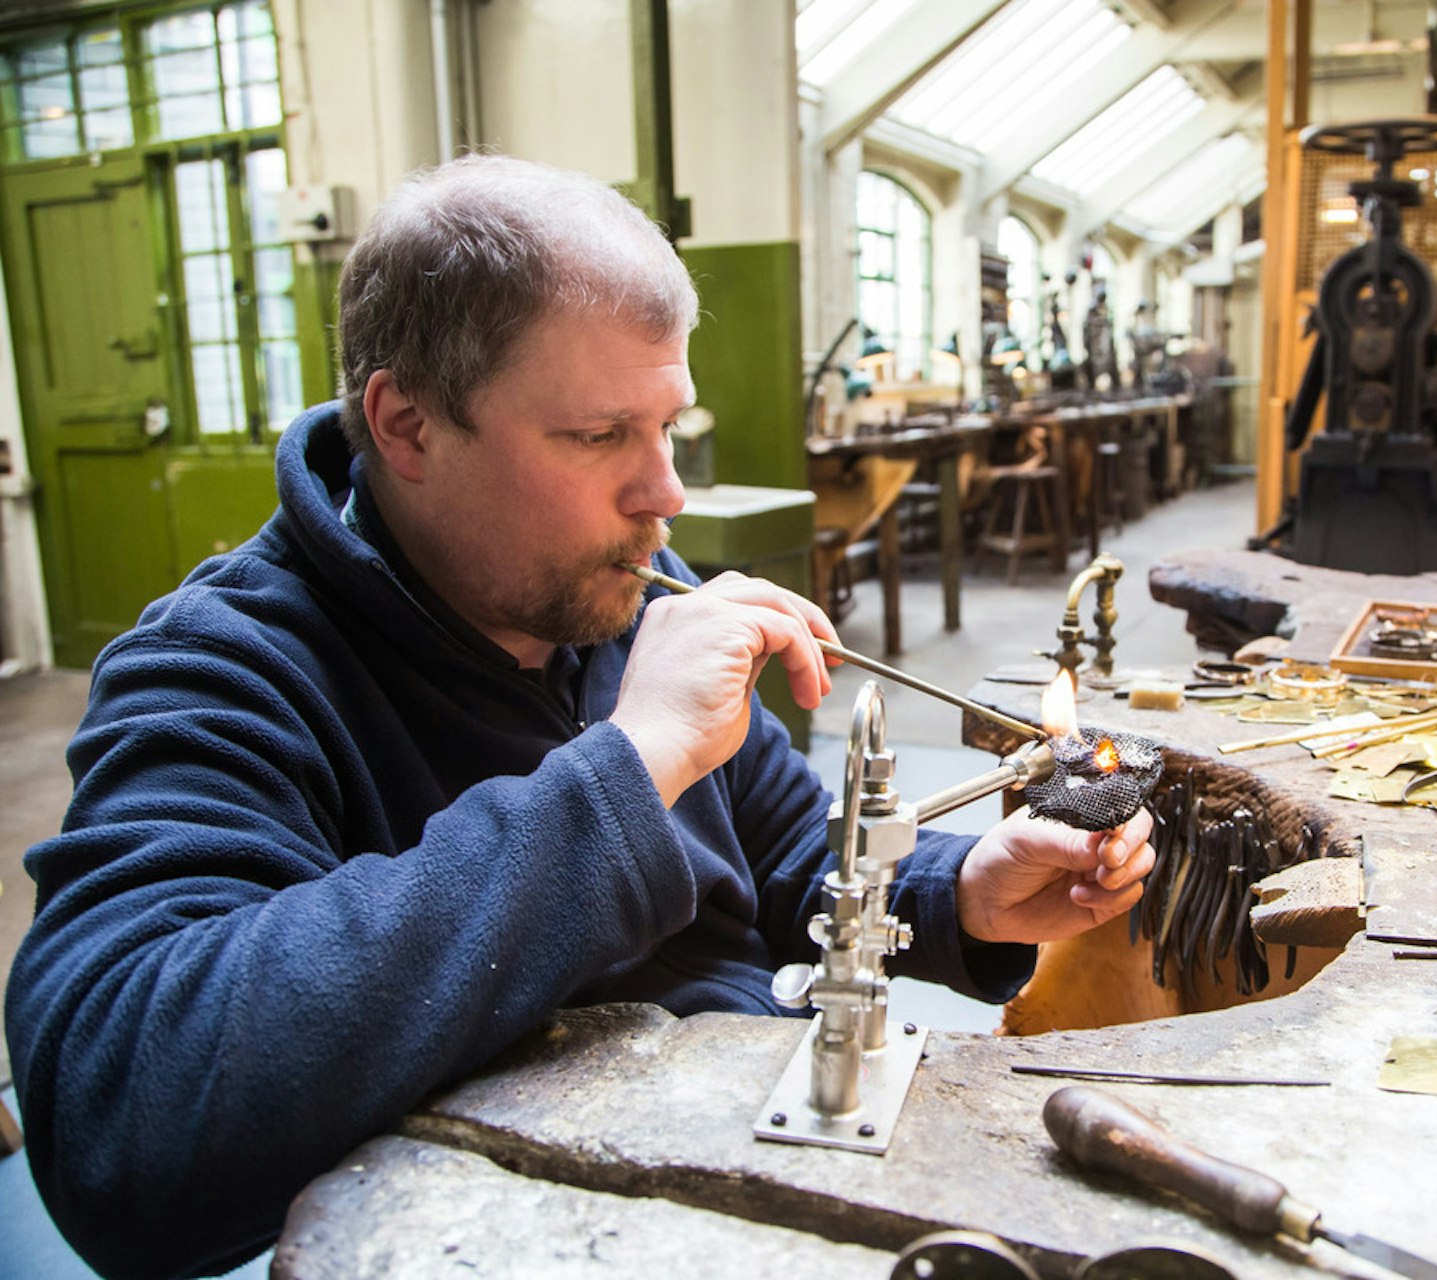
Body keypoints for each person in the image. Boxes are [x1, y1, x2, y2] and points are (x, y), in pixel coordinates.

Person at [4, 154, 1154, 1280]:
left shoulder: (616, 584)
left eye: (670, 430)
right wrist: (632, 761)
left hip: (741, 1166)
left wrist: (960, 893)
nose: (664, 495)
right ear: (405, 426)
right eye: (599, 436)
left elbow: (791, 850)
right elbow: (120, 1131)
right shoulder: (223, 667)